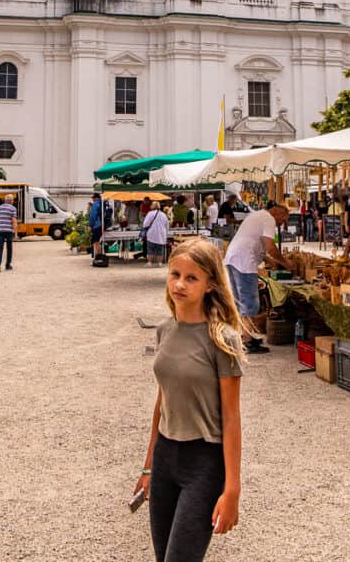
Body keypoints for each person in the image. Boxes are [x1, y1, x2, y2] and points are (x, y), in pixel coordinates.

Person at [133, 239, 243, 562]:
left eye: (191, 278)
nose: (180, 284)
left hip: (204, 462)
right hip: (166, 457)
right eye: (175, 274)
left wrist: (232, 489)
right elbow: (161, 403)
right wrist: (148, 465)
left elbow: (231, 417)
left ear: (210, 284)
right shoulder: (165, 331)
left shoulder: (222, 340)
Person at [224, 205, 290, 354]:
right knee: (249, 302)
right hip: (244, 262)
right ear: (278, 213)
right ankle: (247, 341)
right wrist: (286, 263)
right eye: (284, 219)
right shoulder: (268, 219)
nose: (282, 223)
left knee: (240, 301)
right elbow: (271, 247)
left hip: (233, 258)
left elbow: (254, 241)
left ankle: (243, 336)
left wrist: (267, 259)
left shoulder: (257, 215)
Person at [0, 194, 17, 272]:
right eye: (13, 200)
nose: (13, 201)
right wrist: (16, 232)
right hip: (9, 231)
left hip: (0, 230)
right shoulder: (13, 208)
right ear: (10, 201)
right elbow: (13, 221)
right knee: (9, 248)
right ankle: (7, 265)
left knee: (0, 248)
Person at [88, 193, 103, 259]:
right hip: (102, 225)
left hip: (96, 225)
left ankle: (99, 257)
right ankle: (99, 256)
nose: (93, 200)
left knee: (95, 241)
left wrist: (90, 225)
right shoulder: (103, 203)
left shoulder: (95, 204)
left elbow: (93, 216)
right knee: (97, 241)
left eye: (93, 198)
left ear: (96, 198)